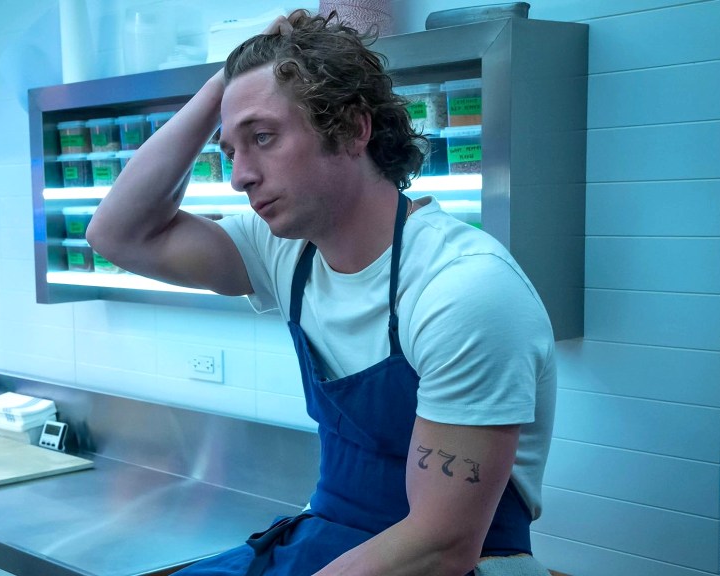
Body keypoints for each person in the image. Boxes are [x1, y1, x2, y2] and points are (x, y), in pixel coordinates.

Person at [86, 9, 556, 576]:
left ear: (354, 129)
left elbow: (440, 544)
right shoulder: (286, 252)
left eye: (263, 137)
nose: (240, 177)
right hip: (330, 540)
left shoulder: (462, 290)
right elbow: (116, 234)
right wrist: (226, 87)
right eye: (230, 151)